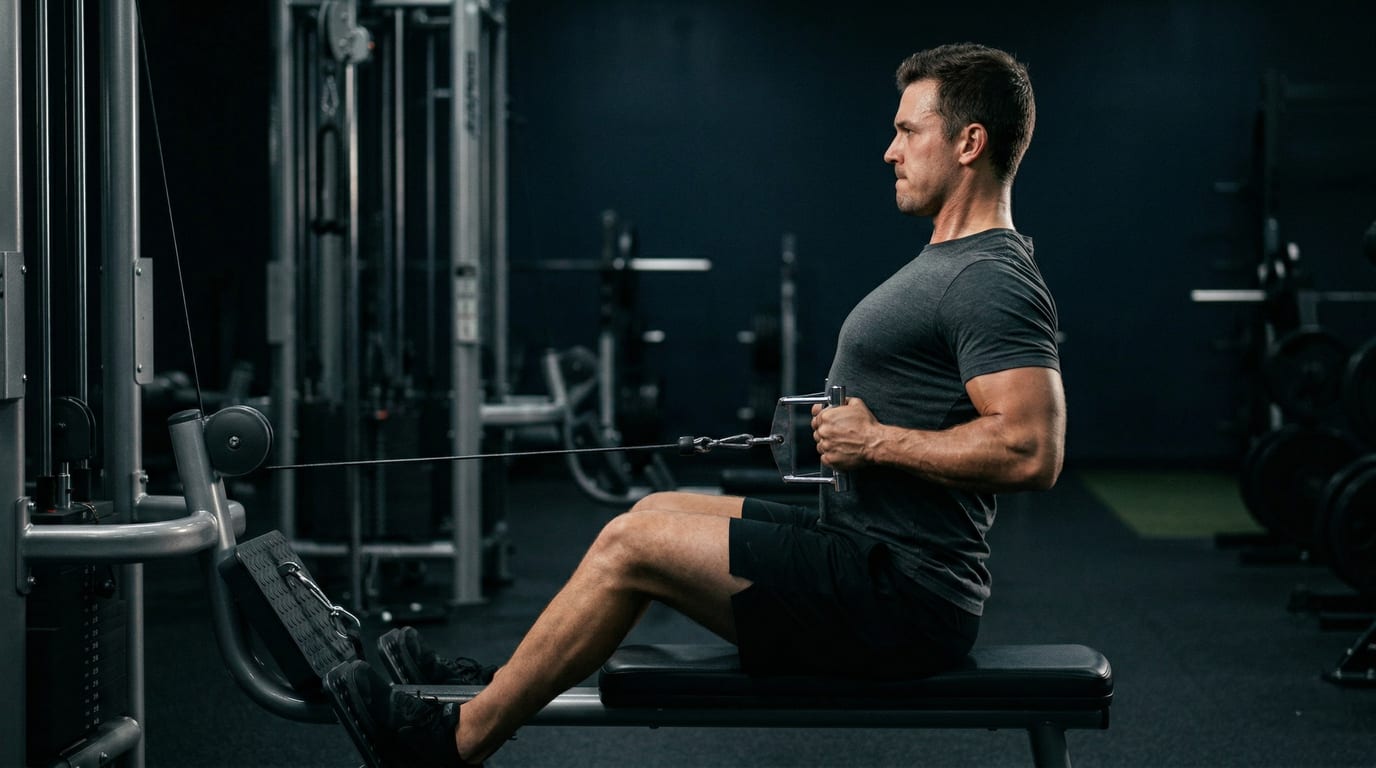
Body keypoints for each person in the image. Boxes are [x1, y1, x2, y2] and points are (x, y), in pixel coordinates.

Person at [333, 41, 1065, 767]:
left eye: (907, 131)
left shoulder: (990, 278)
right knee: (652, 512)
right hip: (858, 546)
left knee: (633, 548)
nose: (889, 151)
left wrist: (877, 442)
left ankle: (450, 745)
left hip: (900, 598)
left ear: (969, 143)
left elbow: (1032, 449)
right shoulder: (952, 262)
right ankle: (494, 691)